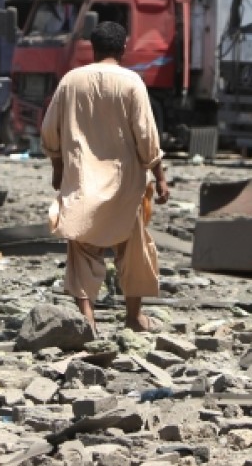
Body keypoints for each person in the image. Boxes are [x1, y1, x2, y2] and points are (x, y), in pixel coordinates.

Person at [40, 21, 170, 335]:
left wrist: (58, 170)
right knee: (134, 250)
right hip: (126, 185)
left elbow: (49, 131)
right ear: (123, 47)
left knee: (82, 251)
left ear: (92, 49)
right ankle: (133, 318)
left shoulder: (71, 81)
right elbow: (146, 136)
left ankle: (88, 320)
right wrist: (160, 177)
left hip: (83, 182)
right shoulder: (131, 82)